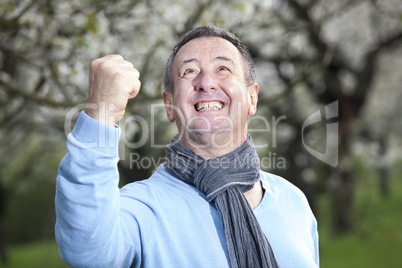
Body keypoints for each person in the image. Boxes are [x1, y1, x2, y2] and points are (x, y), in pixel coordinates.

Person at [55, 25, 319, 268]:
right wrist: (101, 112)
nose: (206, 82)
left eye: (223, 69)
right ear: (169, 105)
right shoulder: (145, 207)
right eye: (189, 71)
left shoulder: (293, 201)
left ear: (252, 98)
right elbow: (87, 251)